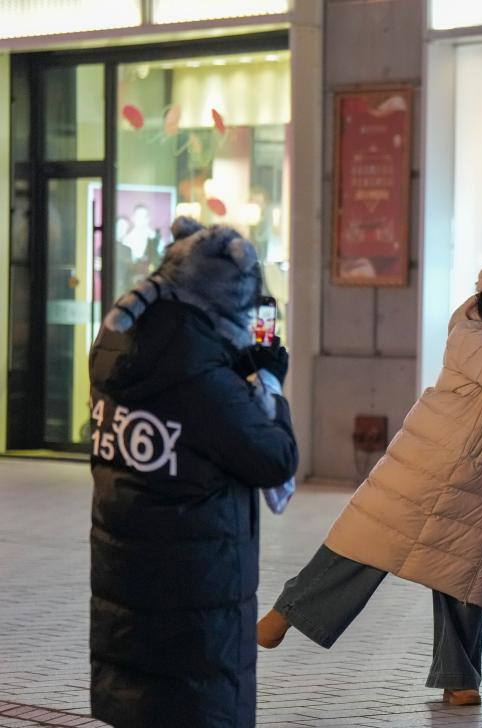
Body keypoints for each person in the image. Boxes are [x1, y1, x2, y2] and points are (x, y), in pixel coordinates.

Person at [256, 243, 482, 705]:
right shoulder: (470, 330)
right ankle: (284, 614)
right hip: (438, 458)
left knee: (465, 573)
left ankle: (460, 676)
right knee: (366, 540)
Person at [89, 216, 298, 728]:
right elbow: (274, 458)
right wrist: (268, 381)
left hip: (128, 598)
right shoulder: (202, 380)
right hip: (196, 609)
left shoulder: (121, 354)